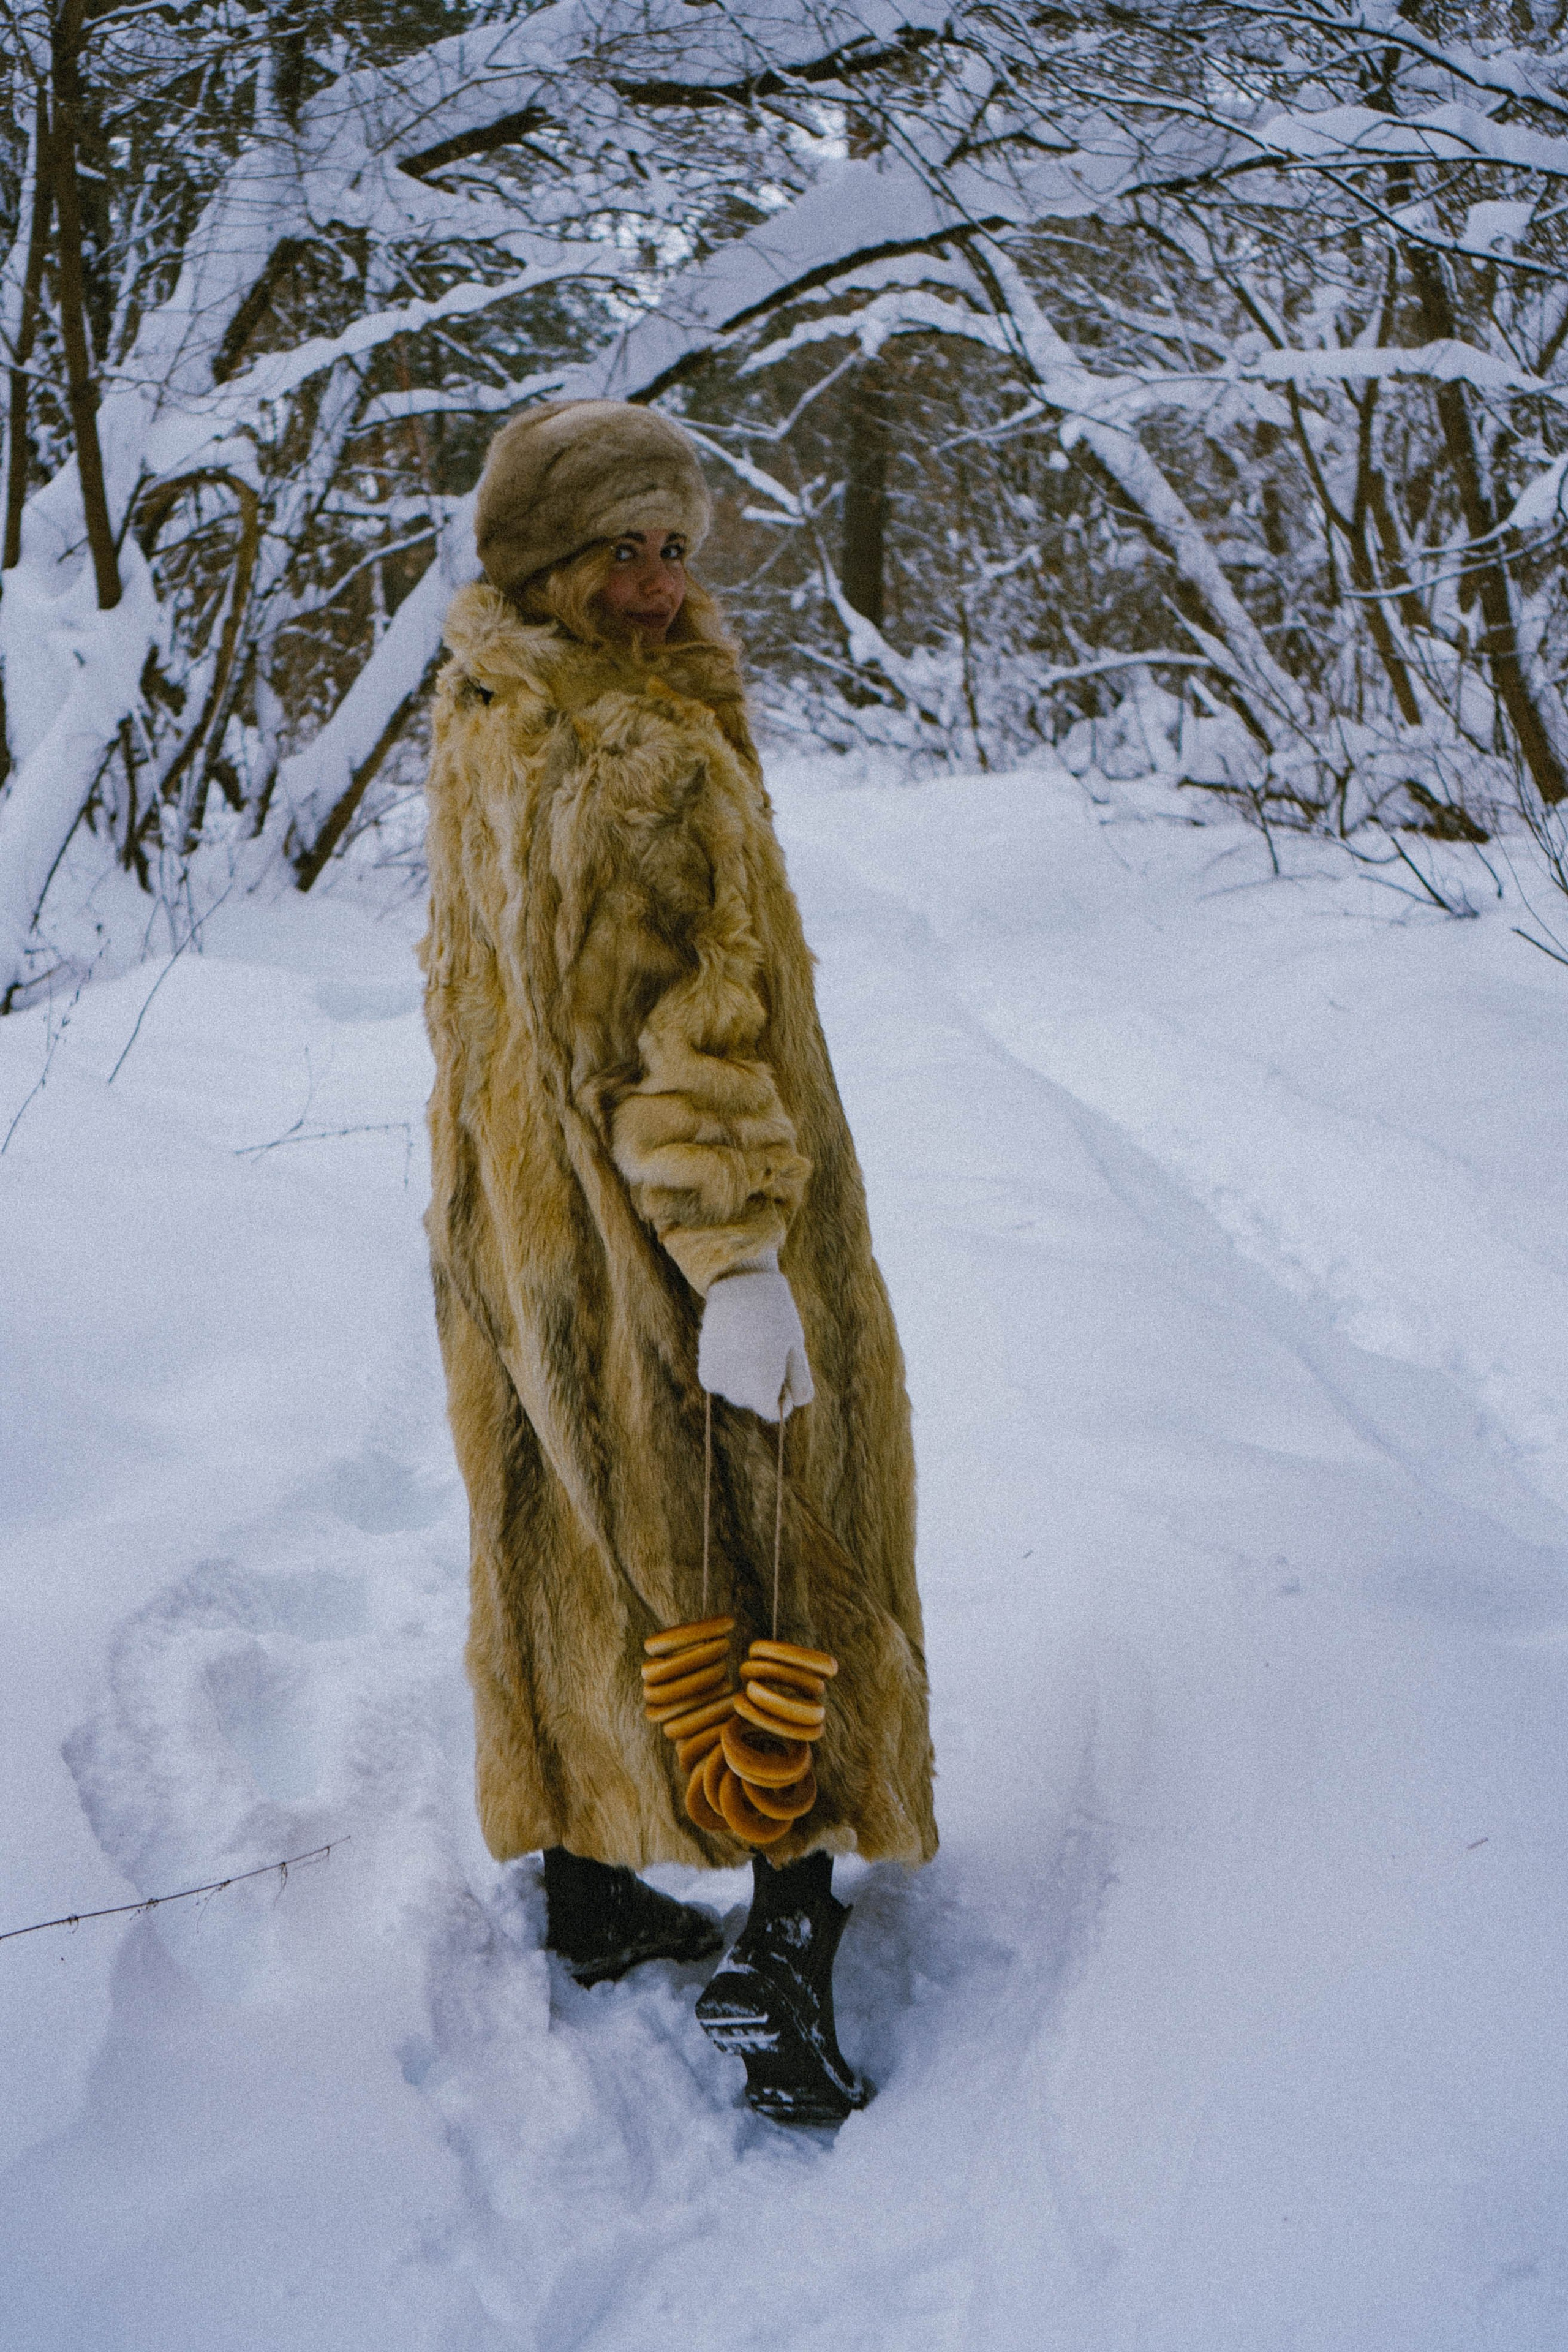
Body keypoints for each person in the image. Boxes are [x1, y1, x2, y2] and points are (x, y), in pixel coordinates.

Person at [420, 399, 937, 2127]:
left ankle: (585, 1883)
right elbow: (692, 1038)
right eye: (619, 551)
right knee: (772, 1542)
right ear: (543, 560)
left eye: (673, 549)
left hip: (528, 1230)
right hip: (675, 1233)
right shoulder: (641, 752)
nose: (655, 585)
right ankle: (781, 1955)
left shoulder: (490, 703)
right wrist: (742, 1263)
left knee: (578, 1530)